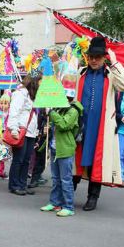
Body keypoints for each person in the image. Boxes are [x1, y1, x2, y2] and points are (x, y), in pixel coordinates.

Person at [73, 37, 124, 211]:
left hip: (100, 127)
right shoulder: (80, 73)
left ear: (104, 57)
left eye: (98, 57)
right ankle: (67, 193)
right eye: (91, 56)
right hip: (80, 123)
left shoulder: (111, 74)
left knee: (95, 161)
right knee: (74, 159)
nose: (93, 60)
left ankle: (93, 197)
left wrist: (115, 63)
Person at [40, 88, 83, 217]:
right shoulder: (58, 109)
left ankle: (68, 206)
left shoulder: (73, 111)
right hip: (55, 148)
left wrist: (52, 112)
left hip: (65, 149)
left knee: (66, 180)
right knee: (55, 179)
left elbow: (64, 125)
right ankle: (55, 203)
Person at [7, 75, 40, 195]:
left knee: (26, 160)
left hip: (30, 133)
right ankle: (14, 185)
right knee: (19, 159)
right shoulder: (21, 93)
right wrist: (14, 129)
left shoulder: (33, 96)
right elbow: (14, 112)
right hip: (21, 130)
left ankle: (22, 184)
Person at [28, 109, 48, 189]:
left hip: (49, 135)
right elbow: (39, 123)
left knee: (42, 159)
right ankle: (35, 178)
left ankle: (36, 177)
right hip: (41, 136)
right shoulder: (41, 110)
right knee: (40, 158)